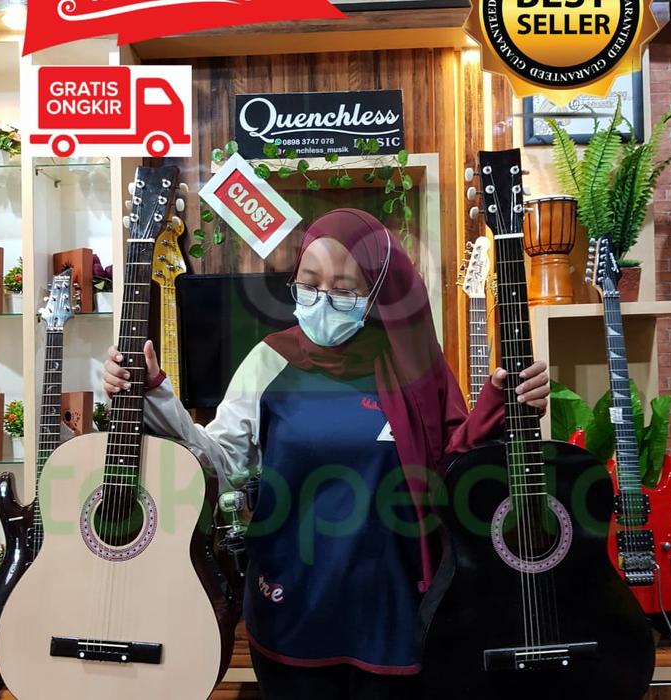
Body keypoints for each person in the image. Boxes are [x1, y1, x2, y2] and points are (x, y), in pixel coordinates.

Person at [102, 208, 549, 700]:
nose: (321, 300)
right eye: (309, 283)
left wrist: (502, 407)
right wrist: (156, 393)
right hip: (291, 603)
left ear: (376, 292)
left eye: (343, 288)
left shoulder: (414, 365)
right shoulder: (269, 360)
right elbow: (221, 464)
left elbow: (451, 470)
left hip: (391, 609)